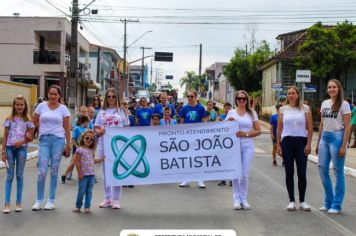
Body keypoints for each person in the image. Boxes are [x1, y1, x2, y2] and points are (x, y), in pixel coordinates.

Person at [32, 85, 71, 211]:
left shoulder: (64, 109)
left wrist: (68, 144)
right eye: (51, 94)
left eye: (55, 94)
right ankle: (39, 200)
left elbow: (67, 128)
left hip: (58, 141)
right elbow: (33, 123)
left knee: (54, 170)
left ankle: (51, 200)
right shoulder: (41, 106)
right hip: (44, 141)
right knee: (41, 171)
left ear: (59, 96)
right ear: (47, 94)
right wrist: (27, 134)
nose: (53, 96)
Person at [316, 79, 351, 214]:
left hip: (338, 137)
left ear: (339, 88)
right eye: (329, 87)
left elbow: (347, 127)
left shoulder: (344, 104)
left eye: (334, 87)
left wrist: (343, 146)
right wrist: (318, 142)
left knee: (337, 170)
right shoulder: (325, 103)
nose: (331, 89)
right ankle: (328, 201)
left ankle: (336, 205)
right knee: (322, 168)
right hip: (325, 137)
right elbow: (322, 123)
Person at [276, 86, 313, 211]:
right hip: (287, 142)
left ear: (298, 95)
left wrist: (308, 144)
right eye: (289, 93)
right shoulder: (282, 109)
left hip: (301, 142)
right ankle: (291, 200)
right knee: (289, 172)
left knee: (302, 173)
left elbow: (310, 127)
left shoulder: (305, 108)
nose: (291, 95)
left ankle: (302, 201)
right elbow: (279, 129)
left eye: (293, 93)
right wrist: (278, 145)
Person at [95, 88, 129, 209]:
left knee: (117, 170)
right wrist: (100, 131)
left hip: (118, 145)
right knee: (105, 171)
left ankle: (116, 199)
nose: (111, 99)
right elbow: (96, 128)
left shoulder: (122, 112)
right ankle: (107, 198)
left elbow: (127, 129)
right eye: (108, 97)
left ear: (117, 98)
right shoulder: (101, 112)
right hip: (103, 144)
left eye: (113, 97)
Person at [226, 90, 261, 210]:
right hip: (234, 146)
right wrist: (228, 122)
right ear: (236, 100)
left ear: (247, 100)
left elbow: (258, 130)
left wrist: (245, 134)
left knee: (245, 173)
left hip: (247, 145)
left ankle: (243, 198)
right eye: (239, 99)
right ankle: (236, 198)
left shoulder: (252, 113)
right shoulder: (231, 112)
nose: (241, 101)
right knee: (235, 172)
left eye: (244, 99)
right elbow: (222, 129)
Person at [2, 95, 34, 213]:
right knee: (9, 176)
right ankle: (6, 204)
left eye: (21, 104)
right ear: (14, 105)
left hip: (22, 149)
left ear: (25, 106)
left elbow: (31, 137)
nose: (19, 106)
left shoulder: (28, 119)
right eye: (17, 104)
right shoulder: (9, 118)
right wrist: (3, 151)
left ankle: (18, 203)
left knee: (19, 175)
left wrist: (22, 141)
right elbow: (5, 136)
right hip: (10, 149)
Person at [179, 90, 207, 188]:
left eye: (191, 96)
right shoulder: (184, 109)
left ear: (196, 97)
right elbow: (181, 122)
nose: (190, 98)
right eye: (188, 96)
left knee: (199, 158)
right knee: (187, 158)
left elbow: (204, 122)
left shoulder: (201, 108)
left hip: (198, 137)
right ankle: (186, 180)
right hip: (187, 137)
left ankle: (200, 180)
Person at [72, 130, 103, 214]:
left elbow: (92, 160)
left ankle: (87, 207)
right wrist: (80, 173)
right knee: (81, 191)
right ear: (83, 138)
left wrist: (100, 160)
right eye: (87, 138)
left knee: (89, 191)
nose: (89, 140)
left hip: (91, 175)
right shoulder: (79, 150)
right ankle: (78, 206)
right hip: (83, 175)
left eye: (91, 139)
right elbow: (77, 162)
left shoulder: (91, 151)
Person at [61, 115, 90, 183]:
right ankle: (65, 175)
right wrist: (76, 146)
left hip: (84, 149)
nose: (88, 124)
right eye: (87, 122)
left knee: (83, 163)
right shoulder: (76, 128)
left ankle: (85, 176)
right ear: (84, 122)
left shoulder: (86, 129)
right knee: (73, 163)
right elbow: (73, 139)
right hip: (77, 148)